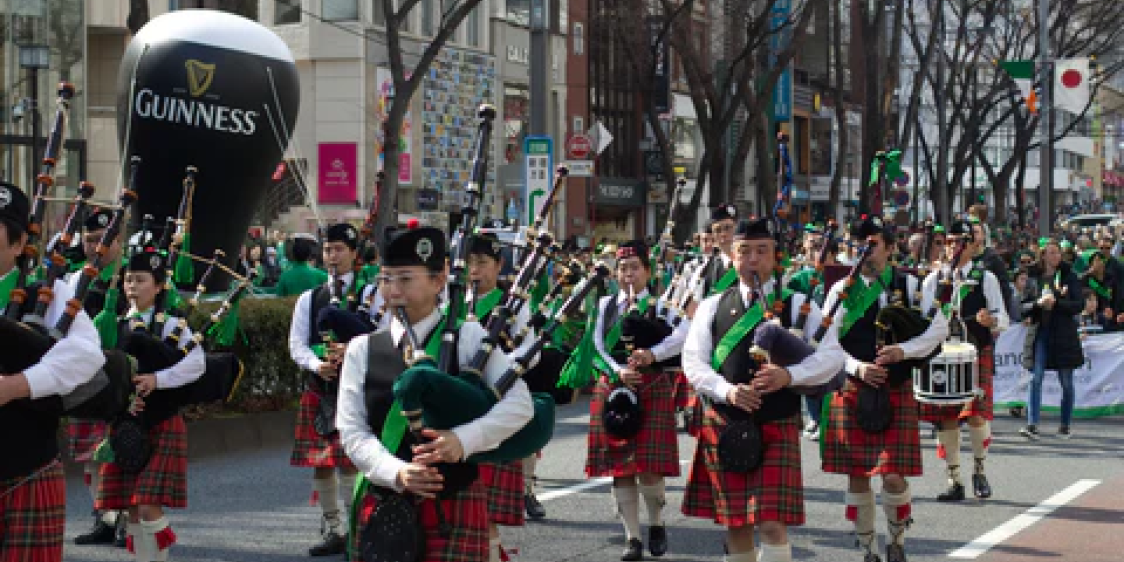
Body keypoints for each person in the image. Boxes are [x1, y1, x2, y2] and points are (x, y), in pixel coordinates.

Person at [337, 223, 534, 562]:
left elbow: (520, 403)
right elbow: (352, 430)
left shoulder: (470, 337)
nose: (393, 289)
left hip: (452, 499)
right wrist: (395, 472)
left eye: (405, 278)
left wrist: (463, 439)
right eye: (386, 278)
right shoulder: (362, 349)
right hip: (386, 496)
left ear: (439, 279)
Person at [680, 217, 841, 562]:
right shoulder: (712, 306)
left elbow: (833, 357)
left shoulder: (799, 304)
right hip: (726, 422)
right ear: (733, 256)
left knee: (771, 525)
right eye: (744, 251)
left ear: (776, 256)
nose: (752, 259)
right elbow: (693, 363)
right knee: (735, 524)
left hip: (776, 421)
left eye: (761, 251)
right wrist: (727, 391)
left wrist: (789, 375)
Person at [817, 215, 949, 562]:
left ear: (890, 249)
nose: (865, 251)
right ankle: (867, 549)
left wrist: (902, 351)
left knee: (892, 476)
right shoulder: (841, 290)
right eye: (859, 245)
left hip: (894, 388)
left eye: (873, 244)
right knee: (858, 478)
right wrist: (857, 366)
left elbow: (938, 330)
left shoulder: (909, 286)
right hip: (854, 388)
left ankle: (896, 540)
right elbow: (827, 343)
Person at [0, 182, 106, 562]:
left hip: (24, 470)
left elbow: (86, 355)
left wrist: (16, 386)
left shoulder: (46, 294)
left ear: (17, 246)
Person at [97, 249, 207, 562]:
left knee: (146, 503)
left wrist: (157, 380)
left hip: (162, 421)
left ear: (159, 287)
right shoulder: (112, 324)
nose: (132, 285)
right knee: (132, 509)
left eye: (141, 280)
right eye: (128, 279)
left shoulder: (173, 325)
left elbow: (196, 365)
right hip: (125, 425)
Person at [588, 240, 690, 561]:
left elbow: (684, 335)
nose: (628, 274)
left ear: (647, 271)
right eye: (622, 268)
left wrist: (652, 354)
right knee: (621, 469)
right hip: (615, 388)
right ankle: (632, 538)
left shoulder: (662, 307)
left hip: (651, 387)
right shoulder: (605, 306)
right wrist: (618, 372)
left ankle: (657, 523)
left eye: (634, 268)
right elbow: (595, 348)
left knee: (649, 469)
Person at [288, 223, 366, 556]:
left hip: (357, 389)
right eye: (328, 250)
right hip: (321, 387)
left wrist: (352, 351)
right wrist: (317, 362)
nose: (332, 256)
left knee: (351, 463)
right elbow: (296, 344)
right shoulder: (311, 297)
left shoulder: (371, 292)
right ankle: (336, 528)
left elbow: (383, 335)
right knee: (320, 462)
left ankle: (357, 530)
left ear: (353, 254)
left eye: (339, 250)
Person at [919, 220, 1009, 502]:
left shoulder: (986, 278)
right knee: (946, 420)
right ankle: (954, 479)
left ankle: (979, 470)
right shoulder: (933, 280)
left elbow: (1004, 318)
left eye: (958, 242)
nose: (952, 247)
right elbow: (922, 321)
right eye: (948, 242)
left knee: (976, 415)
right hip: (942, 356)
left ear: (972, 246)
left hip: (975, 352)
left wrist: (991, 320)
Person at [464, 233, 540, 559]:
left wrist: (494, 366)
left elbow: (530, 353)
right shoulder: (451, 299)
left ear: (498, 265)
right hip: (458, 402)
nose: (474, 271)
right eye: (469, 264)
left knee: (485, 508)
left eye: (482, 263)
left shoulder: (513, 302)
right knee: (459, 503)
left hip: (495, 398)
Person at [68, 207, 130, 548]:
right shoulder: (75, 279)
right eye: (90, 240)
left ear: (118, 241)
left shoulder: (135, 275)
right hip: (84, 376)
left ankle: (124, 517)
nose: (97, 247)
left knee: (122, 452)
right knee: (91, 456)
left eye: (104, 240)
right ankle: (104, 517)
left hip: (123, 375)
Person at [1019, 239, 1084, 440]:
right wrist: (1038, 304)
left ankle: (1065, 425)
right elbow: (1023, 307)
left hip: (1063, 334)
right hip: (1040, 332)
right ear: (1043, 255)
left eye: (1058, 253)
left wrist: (1058, 302)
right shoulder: (1033, 277)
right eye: (1052, 253)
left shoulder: (1069, 276)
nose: (1056, 256)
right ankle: (1032, 424)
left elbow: (1078, 304)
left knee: (1066, 382)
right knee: (1035, 377)